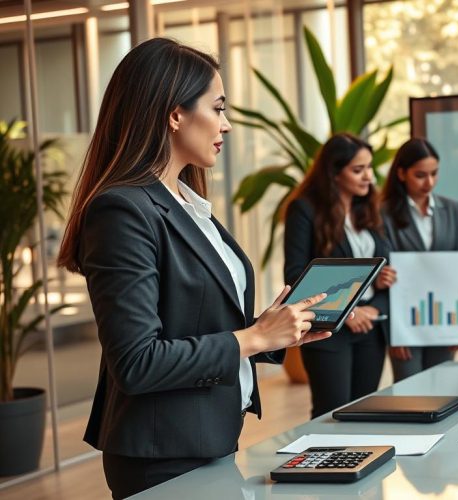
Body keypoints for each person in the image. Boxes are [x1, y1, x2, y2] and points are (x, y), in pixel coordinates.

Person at [56, 38, 330, 499]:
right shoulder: (121, 211)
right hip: (161, 456)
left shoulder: (185, 203)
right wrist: (254, 338)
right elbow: (137, 362)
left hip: (210, 438)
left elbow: (197, 320)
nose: (226, 124)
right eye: (218, 108)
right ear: (175, 114)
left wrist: (273, 333)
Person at [284, 133, 396, 418]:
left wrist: (373, 306)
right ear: (334, 172)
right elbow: (297, 274)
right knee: (330, 413)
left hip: (371, 327)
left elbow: (386, 273)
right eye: (358, 170)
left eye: (369, 168)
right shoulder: (305, 209)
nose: (368, 177)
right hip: (328, 330)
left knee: (364, 411)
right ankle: (322, 462)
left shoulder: (371, 209)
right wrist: (348, 312)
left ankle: (360, 460)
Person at [380, 138, 458, 381]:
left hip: (444, 317)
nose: (429, 182)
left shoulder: (452, 209)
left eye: (434, 174)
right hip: (405, 322)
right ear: (401, 173)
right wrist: (393, 333)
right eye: (420, 175)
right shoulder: (383, 214)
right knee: (410, 393)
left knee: (442, 389)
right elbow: (384, 279)